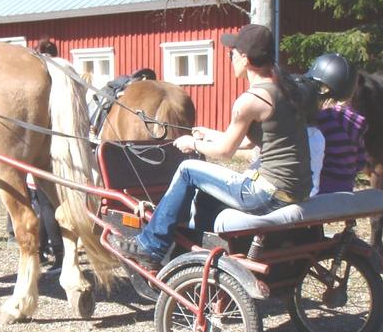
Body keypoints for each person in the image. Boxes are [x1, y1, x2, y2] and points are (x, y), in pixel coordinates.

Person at [112, 24, 311, 269]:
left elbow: (226, 152)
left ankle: (151, 245)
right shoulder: (285, 89)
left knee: (188, 170)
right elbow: (249, 141)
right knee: (205, 193)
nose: (231, 59)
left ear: (245, 59)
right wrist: (209, 134)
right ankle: (190, 250)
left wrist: (192, 143)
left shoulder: (251, 100)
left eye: (232, 54)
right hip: (295, 189)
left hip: (264, 193)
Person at [305, 53, 367, 194]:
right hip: (346, 189)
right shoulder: (356, 123)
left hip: (320, 190)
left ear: (324, 88)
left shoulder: (321, 120)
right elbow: (361, 163)